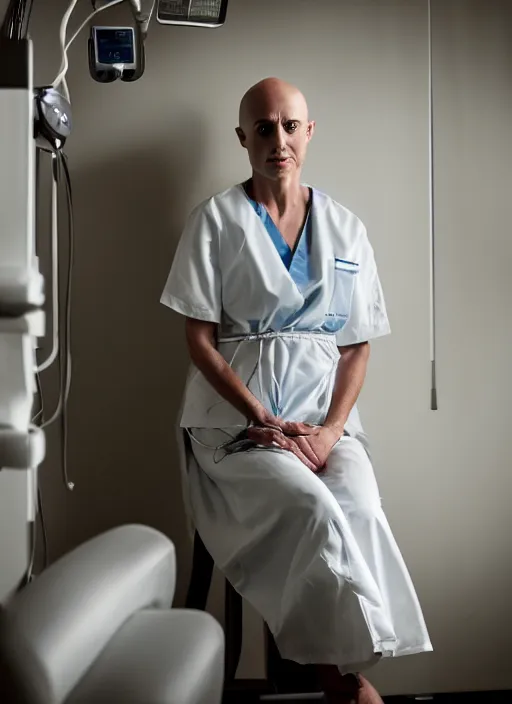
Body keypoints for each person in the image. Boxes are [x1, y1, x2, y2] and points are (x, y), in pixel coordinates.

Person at [160, 77, 432, 703]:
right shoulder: (217, 221)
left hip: (324, 423)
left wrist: (332, 430)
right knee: (309, 511)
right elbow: (199, 341)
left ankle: (331, 664)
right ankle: (345, 680)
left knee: (359, 508)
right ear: (242, 139)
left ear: (308, 132)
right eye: (262, 128)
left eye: (289, 126)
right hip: (237, 425)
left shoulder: (345, 228)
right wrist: (263, 417)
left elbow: (358, 344)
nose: (276, 139)